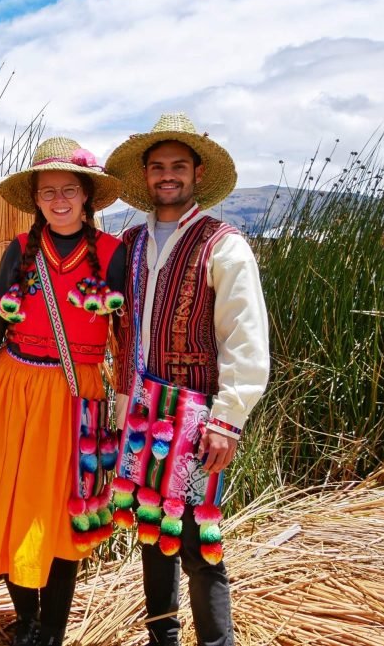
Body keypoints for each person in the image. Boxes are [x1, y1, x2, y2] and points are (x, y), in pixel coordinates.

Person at [0, 137, 127, 646]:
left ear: (87, 196)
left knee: (63, 514)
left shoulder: (113, 256)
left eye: (69, 189)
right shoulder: (19, 253)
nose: (59, 200)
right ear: (37, 199)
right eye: (48, 192)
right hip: (13, 391)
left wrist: (127, 412)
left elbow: (127, 340)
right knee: (9, 506)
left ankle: (52, 631)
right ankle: (25, 623)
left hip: (75, 395)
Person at [104, 112, 270, 646]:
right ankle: (163, 640)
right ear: (146, 175)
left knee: (199, 537)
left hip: (198, 419)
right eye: (158, 167)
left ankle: (216, 643)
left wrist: (229, 420)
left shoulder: (223, 244)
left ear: (197, 173)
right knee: (153, 531)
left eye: (178, 166)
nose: (167, 176)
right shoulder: (129, 245)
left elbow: (245, 338)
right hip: (140, 412)